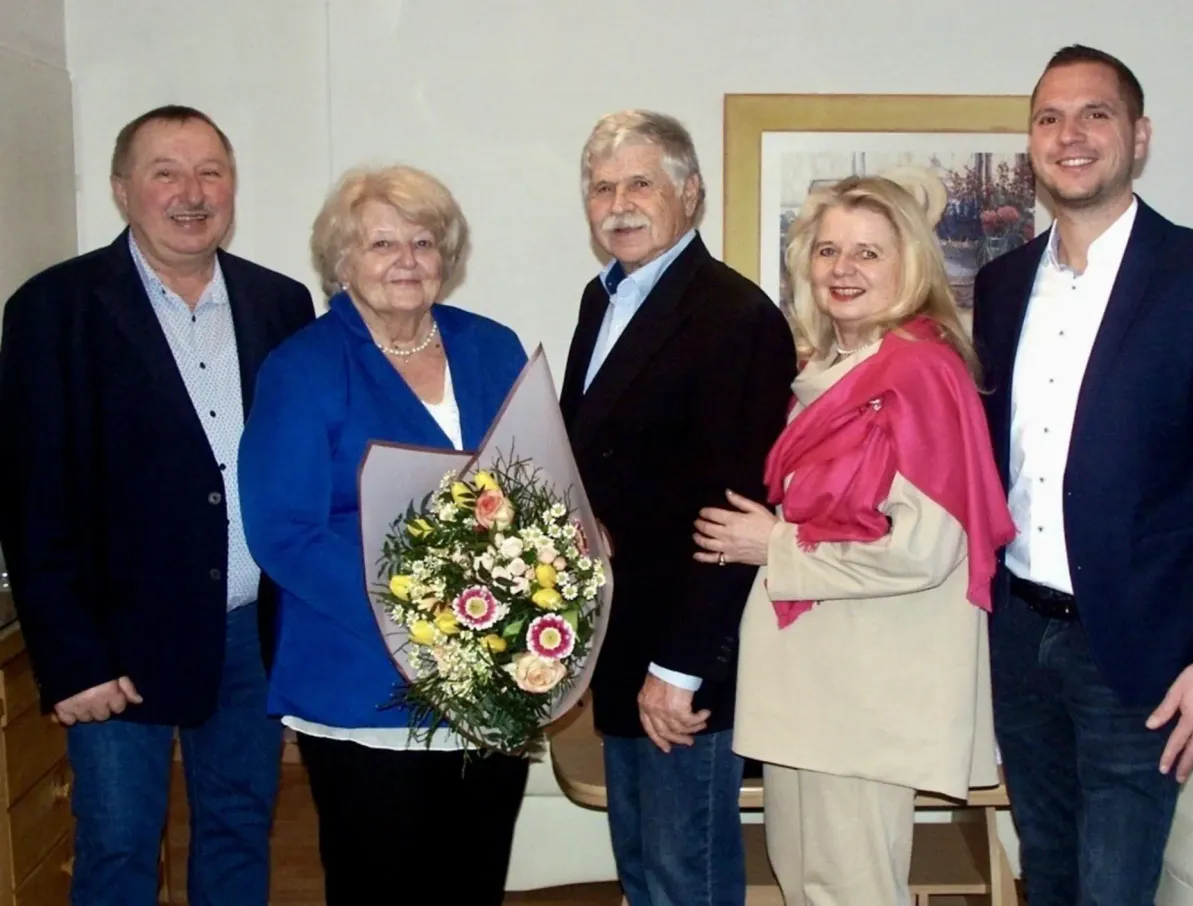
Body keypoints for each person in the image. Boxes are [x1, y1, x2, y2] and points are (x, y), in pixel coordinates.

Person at [973, 45, 1193, 905]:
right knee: (1051, 873)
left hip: (1139, 658)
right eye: (1049, 118)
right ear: (1030, 142)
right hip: (1018, 641)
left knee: (1113, 891)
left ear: (1139, 137)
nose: (1069, 135)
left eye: (1095, 114)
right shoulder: (999, 288)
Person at [0, 105, 314, 906]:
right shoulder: (52, 310)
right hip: (116, 646)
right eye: (165, 172)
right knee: (117, 849)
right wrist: (73, 659)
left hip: (250, 633)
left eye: (211, 171)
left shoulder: (280, 305)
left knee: (239, 830)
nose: (192, 192)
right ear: (121, 190)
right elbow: (32, 498)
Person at [695, 176, 1015, 906]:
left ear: (912, 266)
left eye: (869, 252)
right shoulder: (824, 369)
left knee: (852, 890)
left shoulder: (921, 373)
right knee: (806, 881)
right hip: (811, 680)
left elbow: (925, 550)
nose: (845, 268)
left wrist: (772, 543)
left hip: (871, 685)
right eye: (829, 249)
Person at [237, 164, 529, 906]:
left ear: (447, 257)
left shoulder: (493, 348)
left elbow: (536, 487)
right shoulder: (302, 368)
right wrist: (427, 615)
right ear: (342, 261)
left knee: (473, 884)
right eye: (382, 244)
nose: (406, 260)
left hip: (494, 679)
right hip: (362, 678)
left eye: (424, 242)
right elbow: (286, 533)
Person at [559, 110, 797, 906]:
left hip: (682, 662)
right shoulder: (605, 302)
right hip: (624, 642)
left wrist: (679, 669)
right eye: (601, 187)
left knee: (683, 878)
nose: (618, 203)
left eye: (640, 183)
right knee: (644, 873)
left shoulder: (735, 318)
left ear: (690, 195)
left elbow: (735, 513)